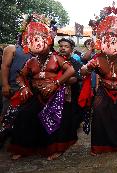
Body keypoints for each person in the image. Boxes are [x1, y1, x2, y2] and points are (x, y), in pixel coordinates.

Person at [7, 14, 77, 160]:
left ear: (48, 41)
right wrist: (24, 88)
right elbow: (20, 76)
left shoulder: (57, 58)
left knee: (53, 118)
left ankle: (55, 149)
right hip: (35, 94)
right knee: (25, 115)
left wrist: (56, 84)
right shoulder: (31, 61)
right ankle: (23, 148)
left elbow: (71, 70)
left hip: (54, 95)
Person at [80, 6, 117, 154]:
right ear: (102, 43)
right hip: (104, 91)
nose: (111, 44)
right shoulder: (98, 59)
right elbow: (82, 70)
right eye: (107, 41)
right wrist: (86, 69)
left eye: (114, 41)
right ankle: (99, 146)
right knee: (99, 112)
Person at [58, 38, 84, 129]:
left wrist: (59, 80)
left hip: (72, 93)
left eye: (66, 46)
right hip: (56, 93)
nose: (63, 48)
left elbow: (76, 78)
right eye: (61, 46)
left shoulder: (76, 63)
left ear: (71, 50)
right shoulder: (54, 61)